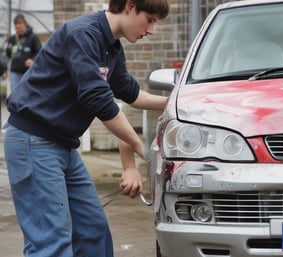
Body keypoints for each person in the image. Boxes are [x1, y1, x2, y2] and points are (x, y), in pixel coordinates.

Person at [3, 0, 169, 256]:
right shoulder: (82, 34)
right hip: (33, 140)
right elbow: (97, 97)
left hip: (63, 145)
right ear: (130, 6)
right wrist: (137, 146)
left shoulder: (111, 47)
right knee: (51, 240)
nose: (151, 30)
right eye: (150, 19)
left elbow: (131, 93)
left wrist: (174, 101)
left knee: (93, 230)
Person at [6, 14, 42, 92]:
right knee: (15, 93)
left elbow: (39, 51)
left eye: (20, 27)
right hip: (14, 71)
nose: (19, 29)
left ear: (25, 25)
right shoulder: (12, 39)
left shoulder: (33, 37)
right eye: (16, 28)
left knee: (27, 92)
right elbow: (8, 55)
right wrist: (9, 47)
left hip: (28, 71)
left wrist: (33, 60)